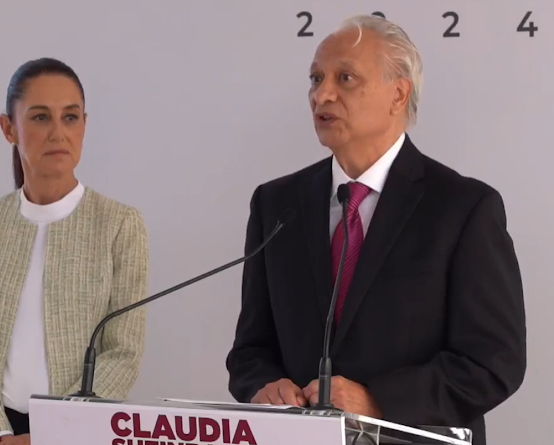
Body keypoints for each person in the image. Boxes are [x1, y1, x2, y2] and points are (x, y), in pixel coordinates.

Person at [225, 14, 526, 445]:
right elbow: (250, 350)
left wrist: (376, 402)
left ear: (398, 94)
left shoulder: (464, 208)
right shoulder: (276, 204)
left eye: (345, 78)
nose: (321, 95)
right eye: (316, 79)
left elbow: (493, 363)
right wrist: (264, 386)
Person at [0, 58, 149, 445]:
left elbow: (122, 352)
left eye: (70, 117)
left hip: (80, 433)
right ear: (8, 128)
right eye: (40, 117)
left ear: (84, 124)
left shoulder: (119, 224)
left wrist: (55, 431)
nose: (58, 133)